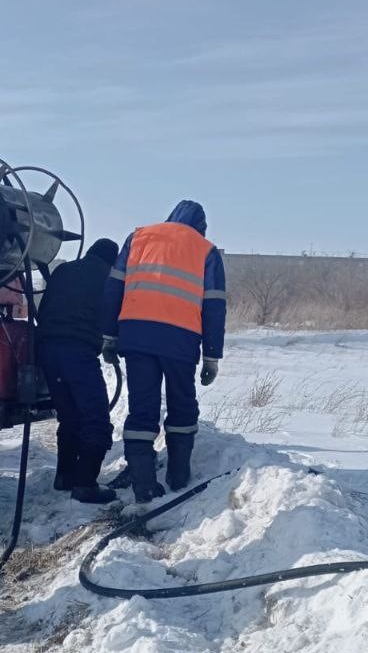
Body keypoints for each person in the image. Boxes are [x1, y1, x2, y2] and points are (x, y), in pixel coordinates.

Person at [102, 200, 226, 502]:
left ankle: (143, 484)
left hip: (137, 336)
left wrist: (109, 335)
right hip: (180, 341)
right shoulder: (206, 250)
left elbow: (114, 287)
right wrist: (211, 356)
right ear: (201, 227)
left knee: (141, 408)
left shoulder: (138, 238)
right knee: (182, 404)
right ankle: (178, 476)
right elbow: (214, 306)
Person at [37, 238, 120, 503]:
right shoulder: (108, 279)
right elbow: (112, 318)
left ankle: (65, 476)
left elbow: (43, 308)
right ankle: (85, 484)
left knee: (69, 416)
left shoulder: (63, 270)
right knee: (96, 419)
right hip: (78, 352)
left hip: (47, 351)